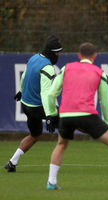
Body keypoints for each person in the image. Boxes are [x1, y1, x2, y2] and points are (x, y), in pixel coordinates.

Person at [45, 42, 108, 191]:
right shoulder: (98, 72)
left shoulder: (66, 68)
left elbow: (51, 94)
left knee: (61, 144)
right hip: (87, 114)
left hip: (66, 115)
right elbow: (104, 99)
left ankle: (51, 182)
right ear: (95, 56)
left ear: (78, 55)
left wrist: (52, 113)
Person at [4, 35, 62, 172]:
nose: (58, 55)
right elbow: (46, 94)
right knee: (72, 119)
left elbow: (24, 76)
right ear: (51, 53)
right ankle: (106, 132)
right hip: (38, 108)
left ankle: (12, 162)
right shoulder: (48, 68)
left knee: (35, 135)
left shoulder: (34, 58)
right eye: (57, 52)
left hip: (26, 105)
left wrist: (21, 91)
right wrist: (49, 116)